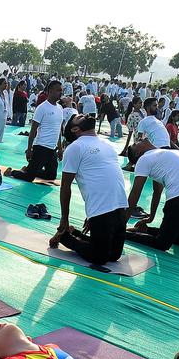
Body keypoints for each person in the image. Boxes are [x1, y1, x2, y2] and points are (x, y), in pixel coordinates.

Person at [49, 114, 129, 265]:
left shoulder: (106, 145)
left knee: (114, 255)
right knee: (100, 258)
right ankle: (65, 236)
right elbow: (65, 186)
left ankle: (75, 233)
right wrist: (64, 218)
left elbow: (108, 178)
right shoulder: (75, 148)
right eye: (78, 117)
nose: (84, 114)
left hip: (119, 206)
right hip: (101, 210)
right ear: (75, 129)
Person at [124, 141, 179, 251]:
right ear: (138, 153)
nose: (142, 139)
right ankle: (124, 234)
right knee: (162, 244)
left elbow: (157, 192)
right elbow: (135, 193)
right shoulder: (144, 159)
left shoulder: (163, 154)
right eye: (136, 143)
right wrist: (122, 225)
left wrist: (151, 217)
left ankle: (146, 231)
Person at [6, 81, 64, 182]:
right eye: (58, 90)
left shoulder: (60, 108)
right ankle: (12, 172)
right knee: (29, 178)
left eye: (61, 91)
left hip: (52, 149)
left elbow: (58, 130)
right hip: (41, 147)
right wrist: (29, 149)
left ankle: (29, 169)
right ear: (50, 91)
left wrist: (60, 148)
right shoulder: (42, 108)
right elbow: (33, 130)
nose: (60, 93)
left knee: (51, 175)